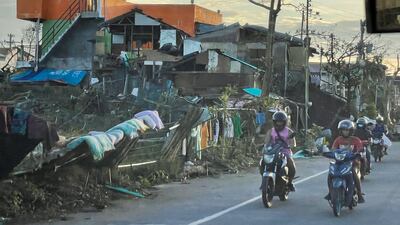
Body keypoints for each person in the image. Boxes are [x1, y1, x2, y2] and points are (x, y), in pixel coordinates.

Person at [331, 120, 365, 203]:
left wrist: (358, 153)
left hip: (353, 162)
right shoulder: (338, 140)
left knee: (354, 174)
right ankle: (330, 192)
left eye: (347, 130)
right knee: (331, 173)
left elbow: (360, 148)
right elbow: (333, 149)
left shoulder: (356, 140)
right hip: (340, 162)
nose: (345, 132)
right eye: (343, 130)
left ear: (351, 131)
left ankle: (359, 194)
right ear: (340, 130)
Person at [264, 111, 296, 192]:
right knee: (262, 162)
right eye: (277, 121)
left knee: (291, 164)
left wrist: (289, 145)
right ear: (274, 122)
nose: (279, 123)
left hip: (285, 152)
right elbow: (266, 142)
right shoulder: (271, 131)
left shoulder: (289, 131)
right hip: (273, 152)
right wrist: (265, 147)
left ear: (284, 122)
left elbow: (293, 143)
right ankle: (265, 178)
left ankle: (290, 182)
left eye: (281, 122)